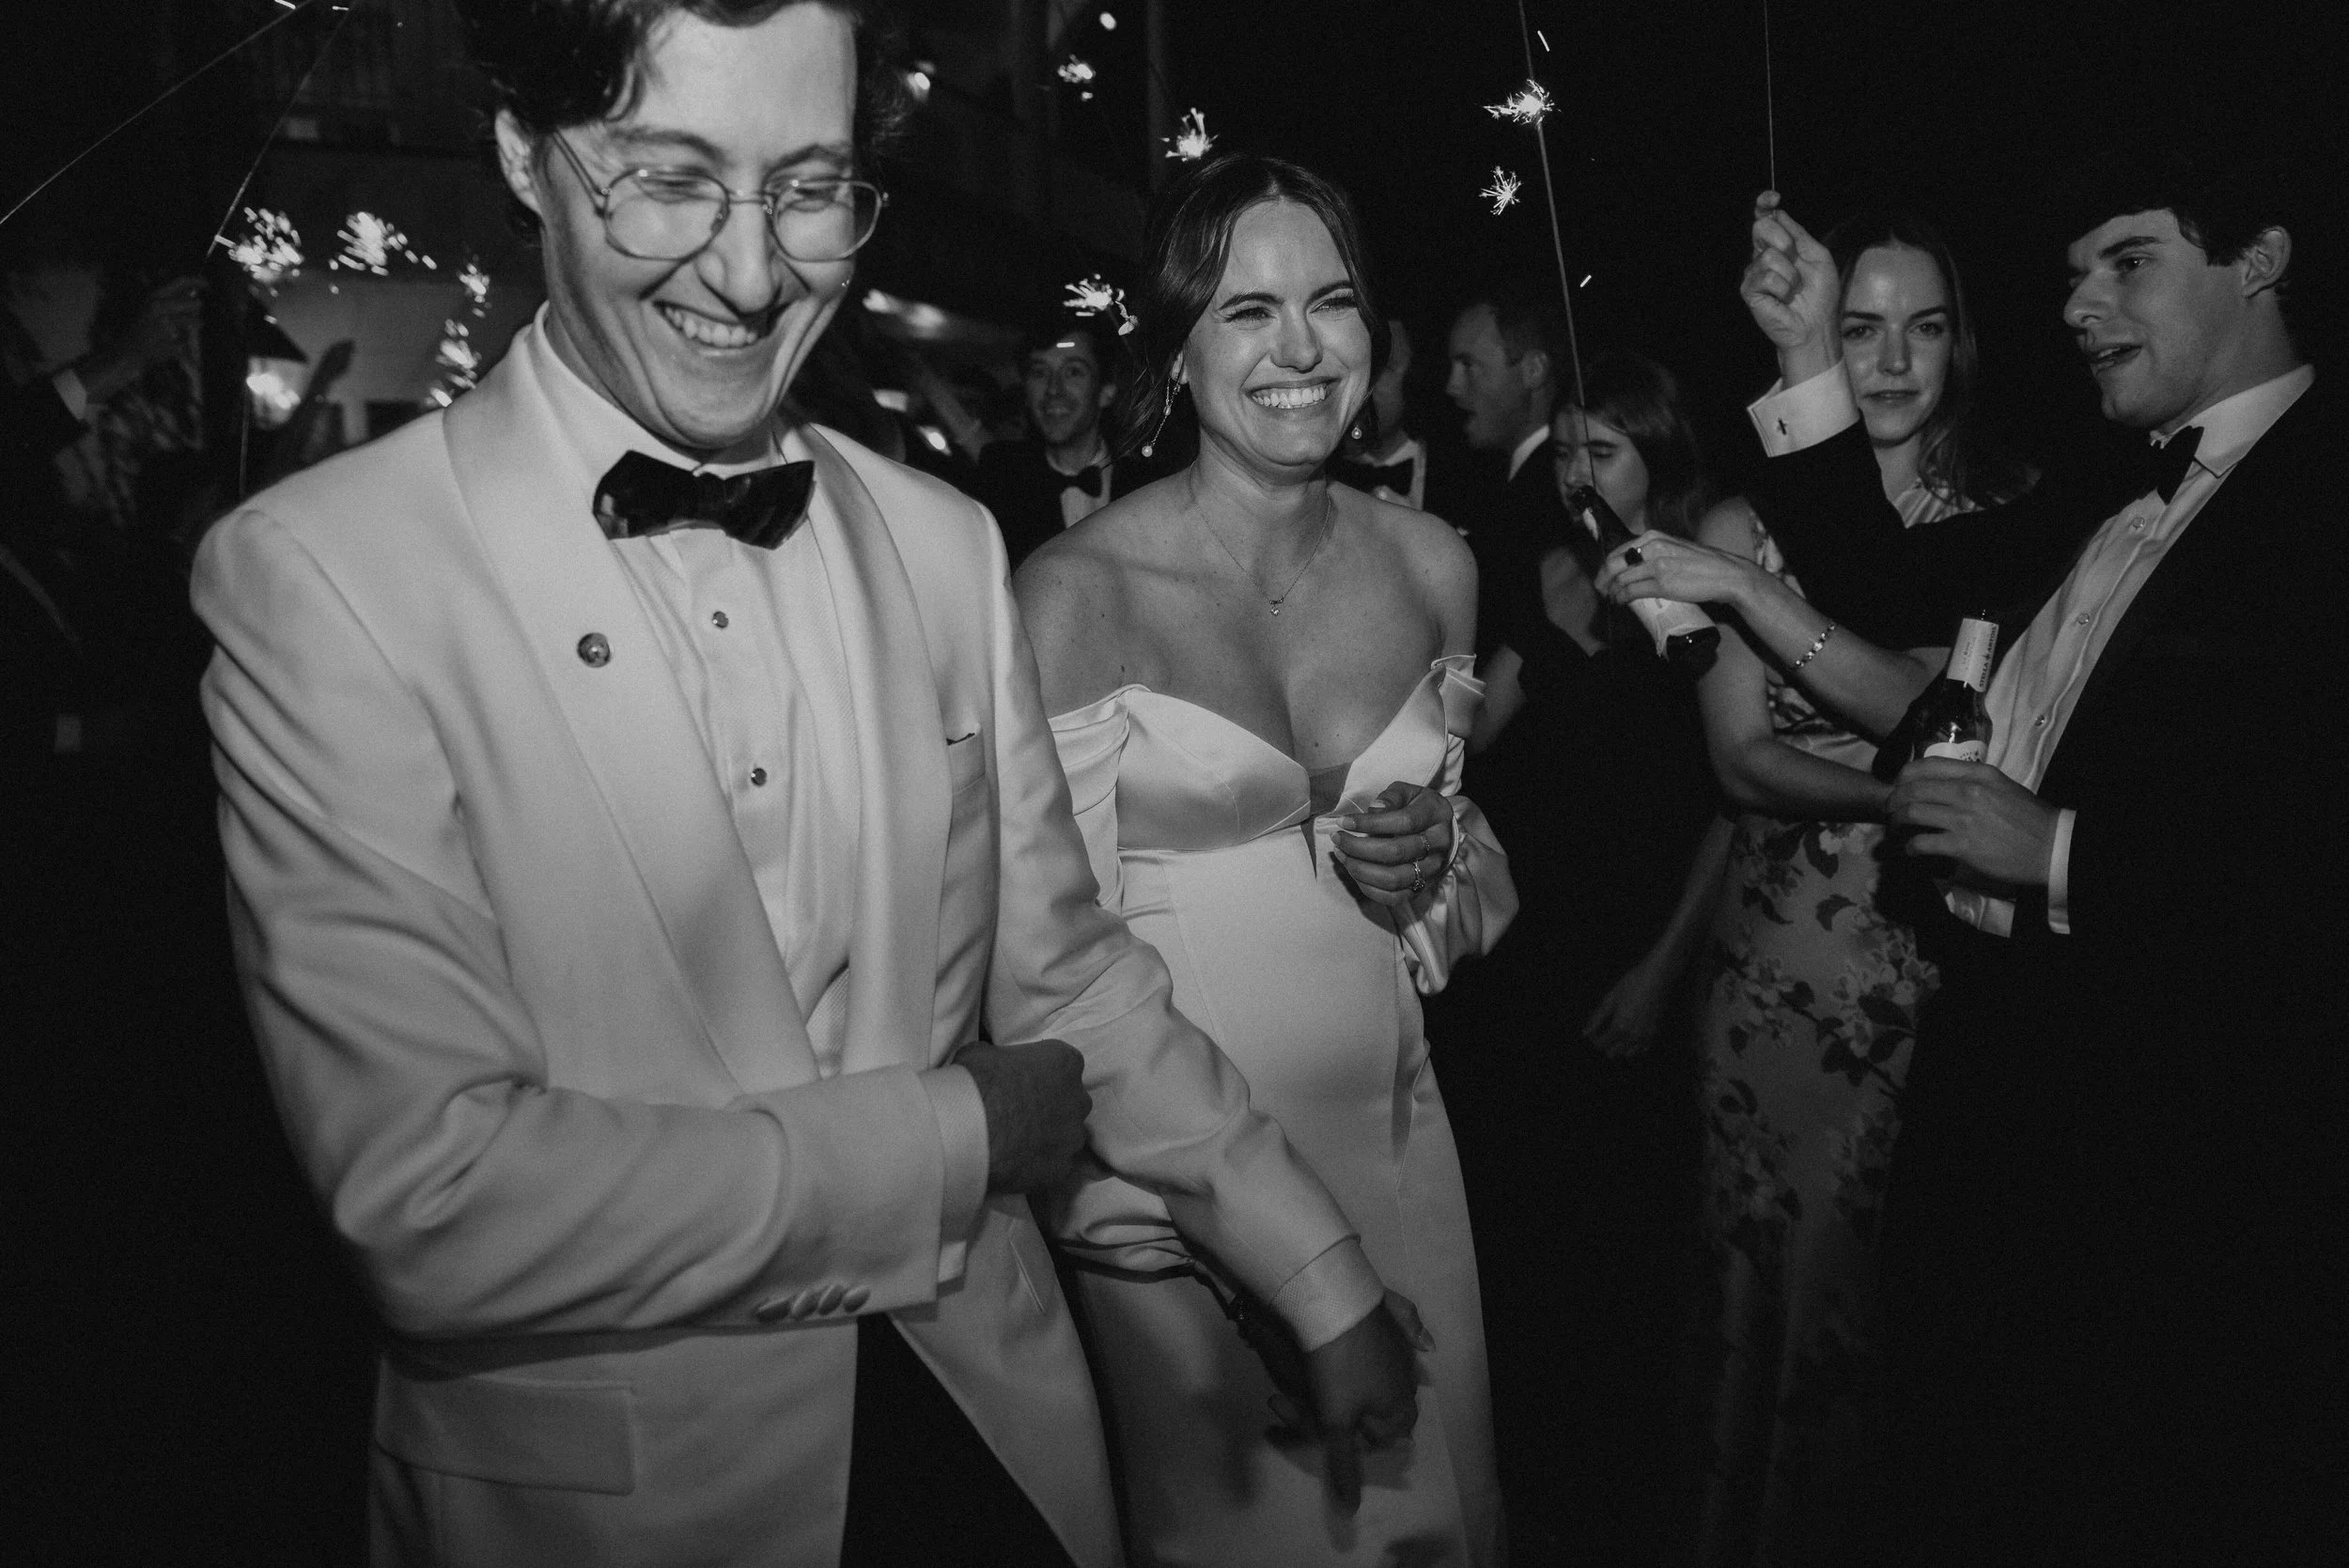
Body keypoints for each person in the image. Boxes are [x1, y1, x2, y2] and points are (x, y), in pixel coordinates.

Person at [189, 6, 1421, 1565]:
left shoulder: (938, 542)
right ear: (524, 150)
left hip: (990, 1443)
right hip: (619, 1503)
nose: (754, 271)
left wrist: (1314, 1265)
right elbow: (434, 1196)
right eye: (671, 179)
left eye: (810, 189)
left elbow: (1070, 970)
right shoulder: (328, 577)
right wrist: (953, 1137)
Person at [1698, 157, 2341, 1557]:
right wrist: (1803, 354)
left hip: (2171, 1137)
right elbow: (1888, 591)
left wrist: (2064, 849)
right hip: (2005, 1064)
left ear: (2263, 257)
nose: (2079, 303)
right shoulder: (2118, 482)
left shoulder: (2315, 510)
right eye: (2067, 272)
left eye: (2126, 262)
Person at [1016, 152, 1512, 1566]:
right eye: (1246, 311)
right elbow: (1049, 976)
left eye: (1332, 301)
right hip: (1175, 1213)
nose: (1301, 348)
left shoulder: (1435, 567)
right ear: (1177, 347)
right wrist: (1265, 1289)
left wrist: (1433, 867)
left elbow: (1459, 884)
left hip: (1409, 1155)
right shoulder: (1076, 595)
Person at [1597, 217, 2029, 1565]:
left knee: (1903, 1278)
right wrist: (1906, 791)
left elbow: (1993, 734)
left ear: (1964, 342)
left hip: (1943, 945)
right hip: (1783, 954)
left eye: (1925, 325)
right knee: (1767, 1258)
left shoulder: (2015, 512)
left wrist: (1933, 785)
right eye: (1861, 328)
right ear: (1819, 346)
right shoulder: (1739, 520)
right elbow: (1744, 760)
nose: (1894, 358)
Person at [1455, 349, 1722, 1561]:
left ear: (1656, 461)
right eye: (1562, 447)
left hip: (1643, 942)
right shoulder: (1547, 566)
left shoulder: (1710, 587)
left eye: (1598, 449)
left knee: (1631, 1243)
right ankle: (1538, 1491)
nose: (1572, 471)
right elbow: (1474, 743)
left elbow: (1737, 804)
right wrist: (1548, 633)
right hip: (1532, 950)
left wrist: (1663, 970)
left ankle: (1627, 1501)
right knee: (1535, 1228)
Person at [1440, 281, 1571, 655]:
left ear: (1533, 370)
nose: (1452, 386)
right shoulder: (1497, 486)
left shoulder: (1555, 495)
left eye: (1468, 365)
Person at [972, 311, 1134, 566]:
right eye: (1040, 373)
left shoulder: (1147, 482)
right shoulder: (1001, 476)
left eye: (1073, 372)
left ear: (1106, 391)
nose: (1053, 390)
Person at [1330, 315, 1429, 508]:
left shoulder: (1462, 474)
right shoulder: (1319, 473)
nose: (1366, 380)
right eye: (1360, 362)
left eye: (1385, 366)